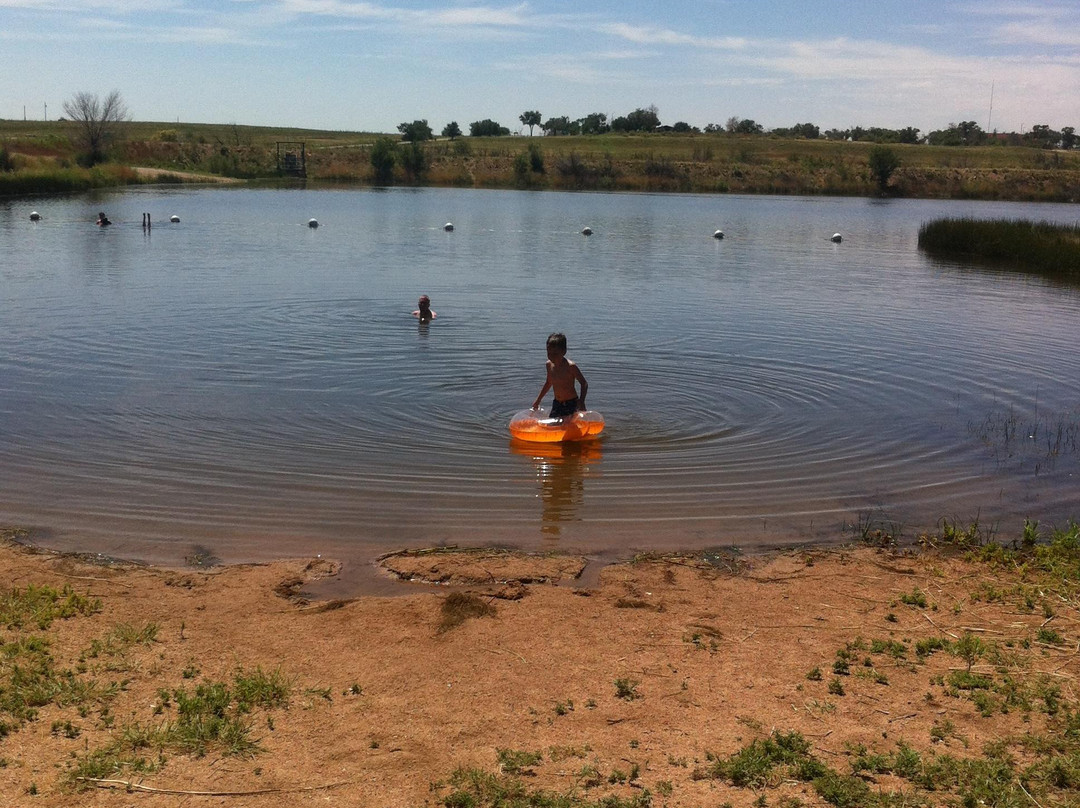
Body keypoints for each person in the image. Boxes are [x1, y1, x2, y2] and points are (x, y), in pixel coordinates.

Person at [532, 332, 588, 419]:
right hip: (557, 403)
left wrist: (581, 401)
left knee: (569, 425)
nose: (551, 356)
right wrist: (538, 400)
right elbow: (548, 383)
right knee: (552, 425)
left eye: (555, 354)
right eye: (549, 353)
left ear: (564, 351)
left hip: (571, 403)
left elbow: (584, 383)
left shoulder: (570, 366)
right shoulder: (549, 365)